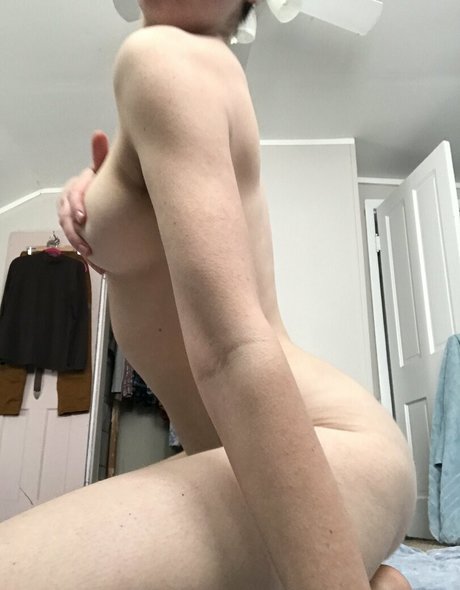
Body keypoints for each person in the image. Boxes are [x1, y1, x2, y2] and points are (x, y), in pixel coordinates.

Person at [0, 1, 416, 588]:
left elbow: (232, 351)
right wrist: (93, 195)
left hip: (330, 446)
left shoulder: (164, 56)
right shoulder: (179, 79)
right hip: (239, 458)